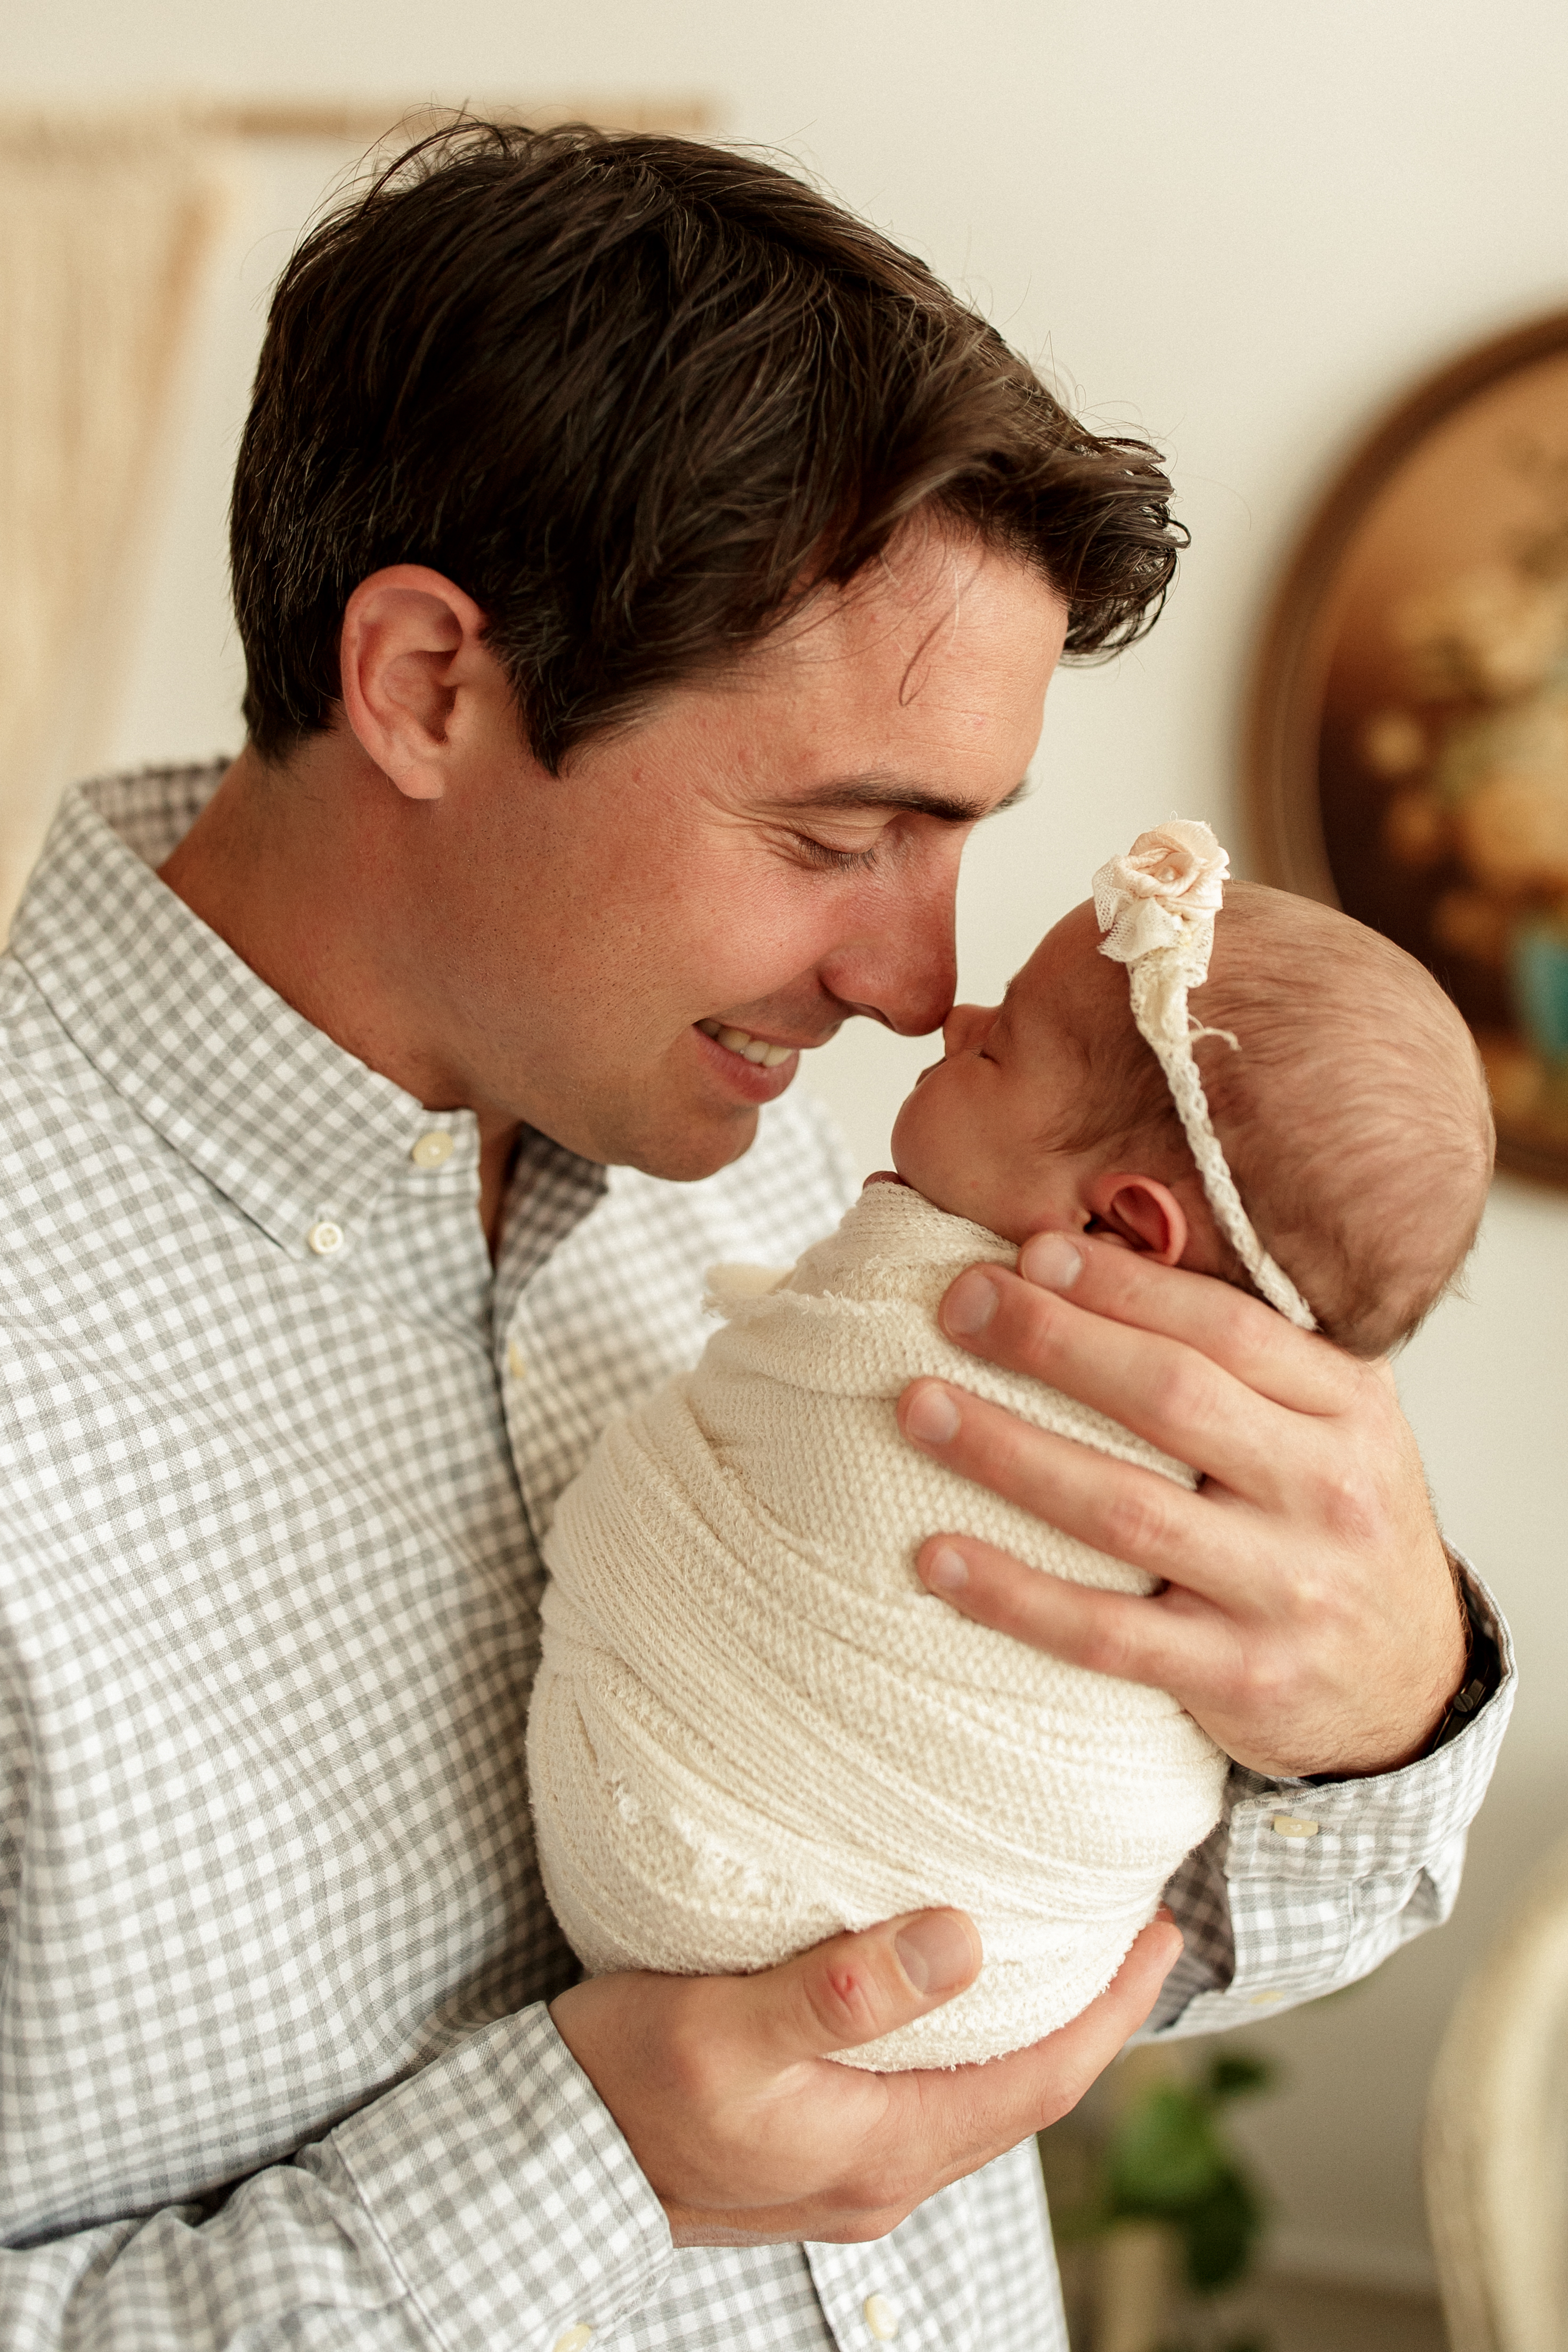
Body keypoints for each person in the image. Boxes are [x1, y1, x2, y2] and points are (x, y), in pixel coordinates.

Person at [0, 123, 1510, 2349]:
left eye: (965, 837)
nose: (918, 987)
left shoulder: (828, 1165)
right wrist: (594, 2166)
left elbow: (1079, 1889)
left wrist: (1373, 1704)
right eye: (836, 830)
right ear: (425, 682)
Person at [529, 831, 1496, 2072]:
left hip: (695, 1852)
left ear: (1117, 1226)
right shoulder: (795, 1157)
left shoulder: (1251, 1497)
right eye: (829, 834)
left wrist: (1399, 1700)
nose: (942, 1008)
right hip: (993, 1992)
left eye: (996, 1046)